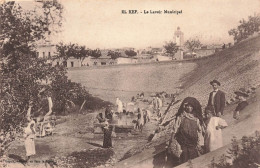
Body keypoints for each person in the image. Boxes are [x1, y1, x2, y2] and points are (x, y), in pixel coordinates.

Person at [173, 97, 205, 163]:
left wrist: (200, 143)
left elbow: (199, 131)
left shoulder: (196, 119)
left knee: (194, 160)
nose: (189, 108)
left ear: (193, 107)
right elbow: (175, 130)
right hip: (183, 143)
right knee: (184, 159)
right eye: (187, 106)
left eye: (190, 106)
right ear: (185, 107)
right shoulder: (180, 117)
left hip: (193, 144)